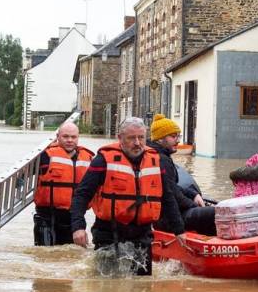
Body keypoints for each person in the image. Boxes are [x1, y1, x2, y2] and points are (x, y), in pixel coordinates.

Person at [70, 116, 185, 275]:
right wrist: (78, 227)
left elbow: (167, 197)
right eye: (132, 138)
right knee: (106, 288)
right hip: (109, 232)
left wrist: (179, 229)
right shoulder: (103, 160)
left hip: (142, 233)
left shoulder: (156, 161)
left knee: (143, 287)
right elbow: (82, 194)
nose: (137, 143)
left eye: (141, 138)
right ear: (120, 139)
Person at [147, 114, 216, 236]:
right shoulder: (162, 160)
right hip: (169, 220)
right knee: (216, 212)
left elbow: (171, 186)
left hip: (161, 217)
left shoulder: (156, 156)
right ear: (160, 138)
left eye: (178, 136)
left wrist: (193, 194)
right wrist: (195, 206)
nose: (178, 140)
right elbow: (173, 196)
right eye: (173, 136)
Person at [33, 122, 94, 246]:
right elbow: (24, 174)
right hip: (47, 217)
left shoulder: (89, 159)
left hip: (74, 217)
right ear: (58, 136)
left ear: (78, 138)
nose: (70, 140)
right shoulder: (45, 156)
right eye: (65, 137)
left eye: (73, 137)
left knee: (71, 257)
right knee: (45, 256)